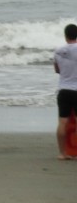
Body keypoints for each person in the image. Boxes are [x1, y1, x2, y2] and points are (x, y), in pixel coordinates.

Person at [53, 23, 77, 160]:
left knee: (62, 122)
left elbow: (57, 70)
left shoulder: (58, 51)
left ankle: (62, 153)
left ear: (65, 35)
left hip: (63, 90)